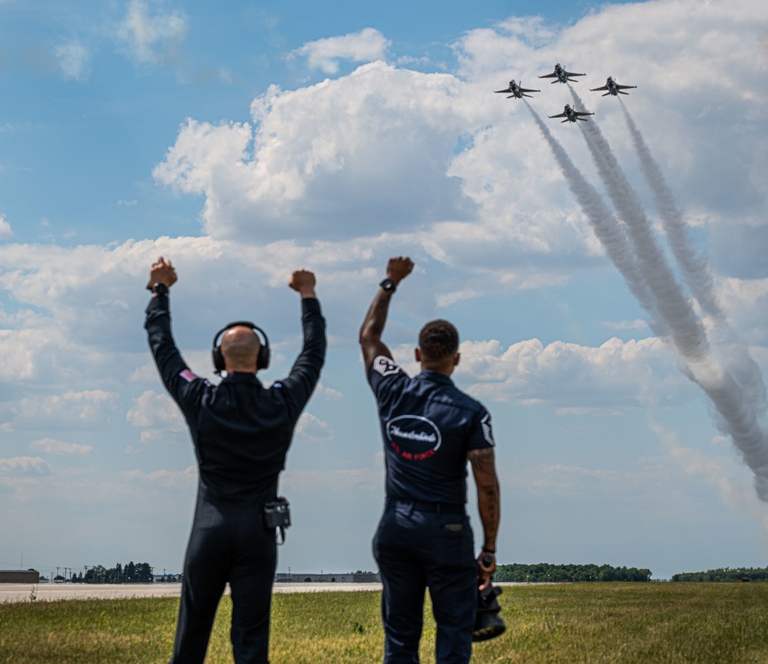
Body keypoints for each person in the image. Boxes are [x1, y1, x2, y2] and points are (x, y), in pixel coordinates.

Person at [144, 256, 326, 664]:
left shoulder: (200, 398)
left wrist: (160, 291)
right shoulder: (281, 401)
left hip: (209, 529)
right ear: (261, 359)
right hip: (258, 532)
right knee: (251, 640)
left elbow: (164, 349)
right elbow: (313, 355)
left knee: (191, 636)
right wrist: (308, 295)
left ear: (217, 358)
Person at [359, 256, 501, 664]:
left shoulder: (393, 389)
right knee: (454, 633)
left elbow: (369, 336)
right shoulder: (471, 411)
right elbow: (486, 484)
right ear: (456, 358)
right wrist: (489, 549)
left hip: (397, 525)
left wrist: (390, 283)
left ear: (418, 354)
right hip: (447, 530)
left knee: (400, 638)